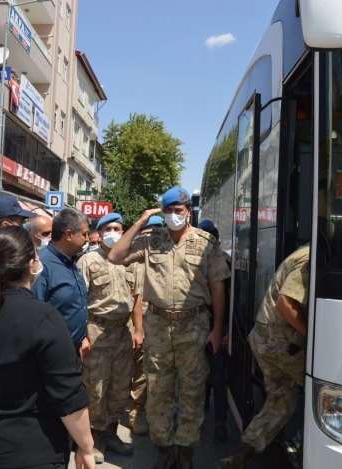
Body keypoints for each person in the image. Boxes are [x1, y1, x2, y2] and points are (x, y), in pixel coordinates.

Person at [0, 226, 95, 469]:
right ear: (31, 265)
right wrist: (86, 446)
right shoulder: (44, 317)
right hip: (31, 452)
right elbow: (67, 394)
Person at [108, 187, 230, 469]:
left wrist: (217, 328)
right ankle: (164, 453)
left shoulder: (206, 242)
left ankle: (185, 453)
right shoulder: (150, 240)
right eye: (170, 211)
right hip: (159, 326)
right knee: (158, 394)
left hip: (195, 325)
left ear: (189, 211)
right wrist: (139, 222)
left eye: (180, 210)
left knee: (192, 392)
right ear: (163, 213)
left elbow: (218, 287)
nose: (175, 215)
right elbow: (115, 256)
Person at [216, 243, 309, 469]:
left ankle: (240, 454)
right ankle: (307, 452)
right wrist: (314, 337)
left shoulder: (302, 252)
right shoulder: (310, 258)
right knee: (325, 393)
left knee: (283, 399)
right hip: (280, 343)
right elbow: (285, 302)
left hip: (265, 339)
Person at [77, 213, 140, 463]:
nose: (115, 232)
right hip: (97, 331)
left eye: (119, 228)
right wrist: (82, 335)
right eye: (109, 228)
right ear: (99, 233)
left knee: (120, 385)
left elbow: (136, 297)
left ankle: (111, 432)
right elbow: (79, 300)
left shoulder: (129, 260)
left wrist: (138, 330)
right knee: (96, 386)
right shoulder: (88, 260)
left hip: (122, 333)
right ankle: (95, 438)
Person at [32, 208, 91, 359]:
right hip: (52, 355)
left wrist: (82, 337)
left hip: (74, 351)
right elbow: (33, 314)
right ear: (69, 235)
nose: (88, 239)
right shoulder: (42, 265)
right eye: (84, 234)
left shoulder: (71, 261)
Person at [127, 214, 164, 437]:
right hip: (132, 322)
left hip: (156, 322)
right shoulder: (133, 257)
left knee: (149, 372)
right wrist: (138, 329)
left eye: (157, 232)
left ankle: (139, 412)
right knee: (132, 371)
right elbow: (134, 297)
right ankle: (131, 411)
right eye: (149, 233)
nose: (153, 237)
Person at [197, 219, 232, 445]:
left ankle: (220, 423)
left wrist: (227, 330)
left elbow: (235, 302)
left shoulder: (227, 263)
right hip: (196, 326)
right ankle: (199, 412)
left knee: (218, 376)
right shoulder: (192, 263)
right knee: (198, 375)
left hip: (218, 328)